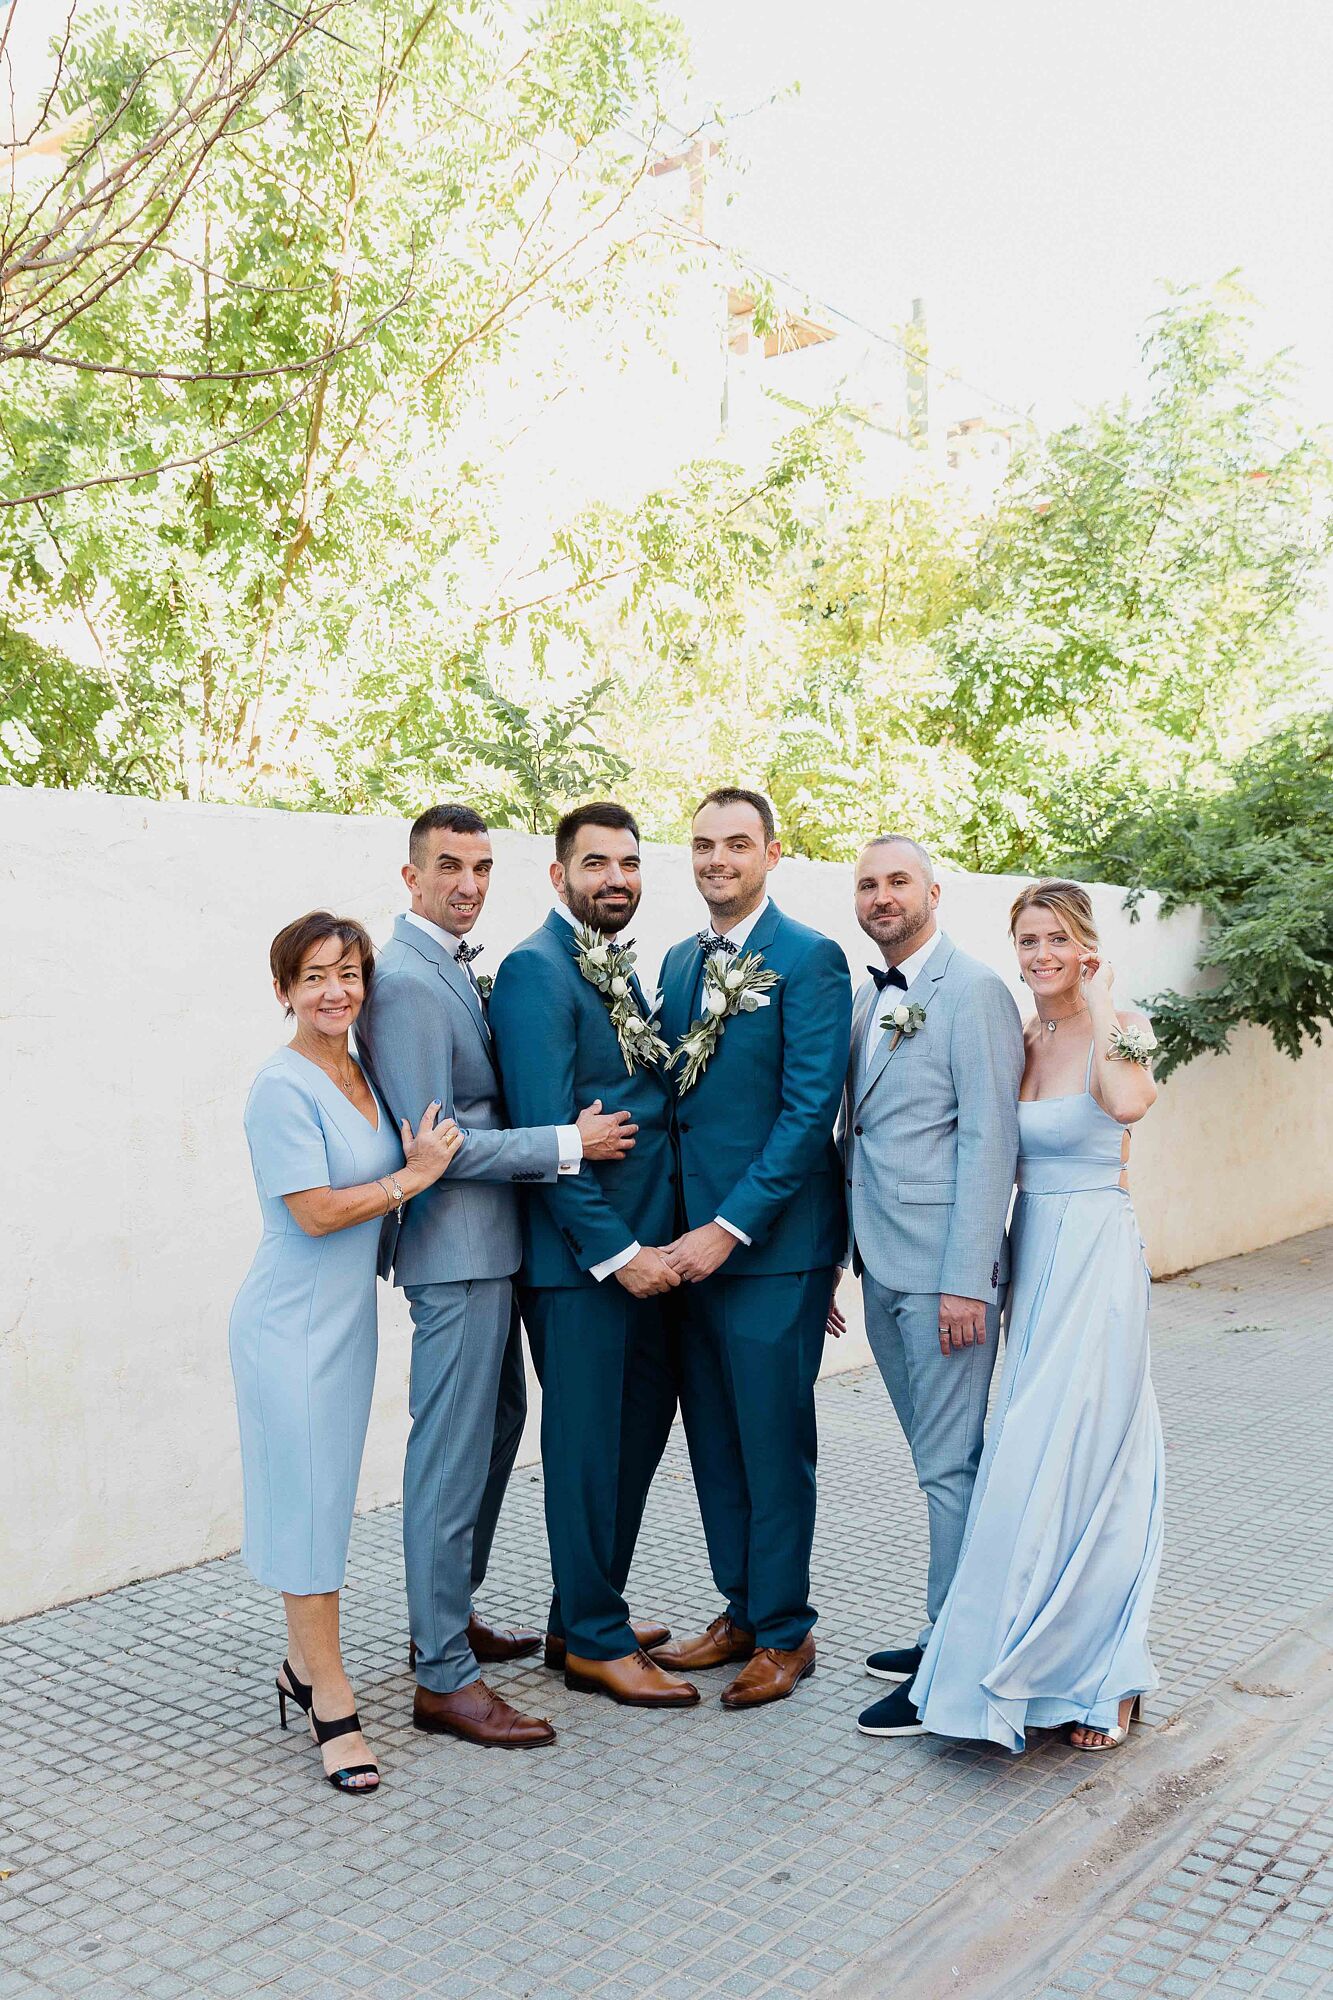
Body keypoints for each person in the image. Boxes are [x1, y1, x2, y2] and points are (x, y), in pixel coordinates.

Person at [354, 804, 638, 1750]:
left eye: (480, 867)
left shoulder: (450, 965)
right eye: (449, 867)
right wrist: (569, 1141)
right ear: (411, 877)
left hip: (498, 1249)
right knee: (449, 1457)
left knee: (496, 1431)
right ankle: (442, 1676)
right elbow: (433, 1143)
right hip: (455, 1251)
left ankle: (450, 1616)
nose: (468, 884)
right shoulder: (400, 981)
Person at [871, 879, 1163, 1750]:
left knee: (1091, 1458)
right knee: (1026, 1461)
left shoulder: (1123, 1026)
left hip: (1097, 1257)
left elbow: (1127, 1105)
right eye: (1026, 941)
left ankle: (1109, 1677)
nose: (1039, 957)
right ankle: (1017, 1656)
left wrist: (1103, 999)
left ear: (1085, 947)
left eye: (1054, 941)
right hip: (1031, 1249)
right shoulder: (1024, 1035)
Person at [229, 911, 462, 1795]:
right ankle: (331, 1696)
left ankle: (299, 1665)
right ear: (284, 989)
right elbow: (317, 1212)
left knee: (318, 1497)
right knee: (311, 1507)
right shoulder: (279, 1088)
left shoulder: (362, 1072)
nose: (335, 991)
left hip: (345, 1324)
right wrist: (414, 1177)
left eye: (349, 974)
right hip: (286, 1325)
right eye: (315, 977)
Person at [488, 802, 693, 1709]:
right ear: (558, 874)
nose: (616, 878)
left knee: (632, 1439)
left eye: (630, 863)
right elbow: (546, 1138)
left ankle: (582, 1612)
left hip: (644, 1254)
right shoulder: (535, 971)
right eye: (596, 863)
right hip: (582, 1264)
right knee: (584, 1449)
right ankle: (596, 1646)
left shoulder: (612, 965)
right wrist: (616, 1255)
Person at [652, 789, 852, 1708]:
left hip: (768, 1248)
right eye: (702, 845)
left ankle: (784, 1630)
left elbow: (810, 1112)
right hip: (687, 1251)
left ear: (772, 853)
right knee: (716, 1442)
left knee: (773, 1444)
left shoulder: (810, 959)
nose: (716, 859)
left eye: (736, 844)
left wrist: (728, 1228)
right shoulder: (677, 962)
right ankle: (737, 1609)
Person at [839, 838, 1024, 1739]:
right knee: (942, 1465)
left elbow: (991, 1140)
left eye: (896, 881)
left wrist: (968, 1282)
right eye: (868, 884)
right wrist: (843, 1258)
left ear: (933, 893)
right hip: (879, 1264)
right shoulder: (860, 995)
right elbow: (857, 1136)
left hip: (943, 1276)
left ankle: (949, 1661)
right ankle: (961, 1625)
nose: (881, 896)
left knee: (947, 1469)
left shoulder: (977, 991)